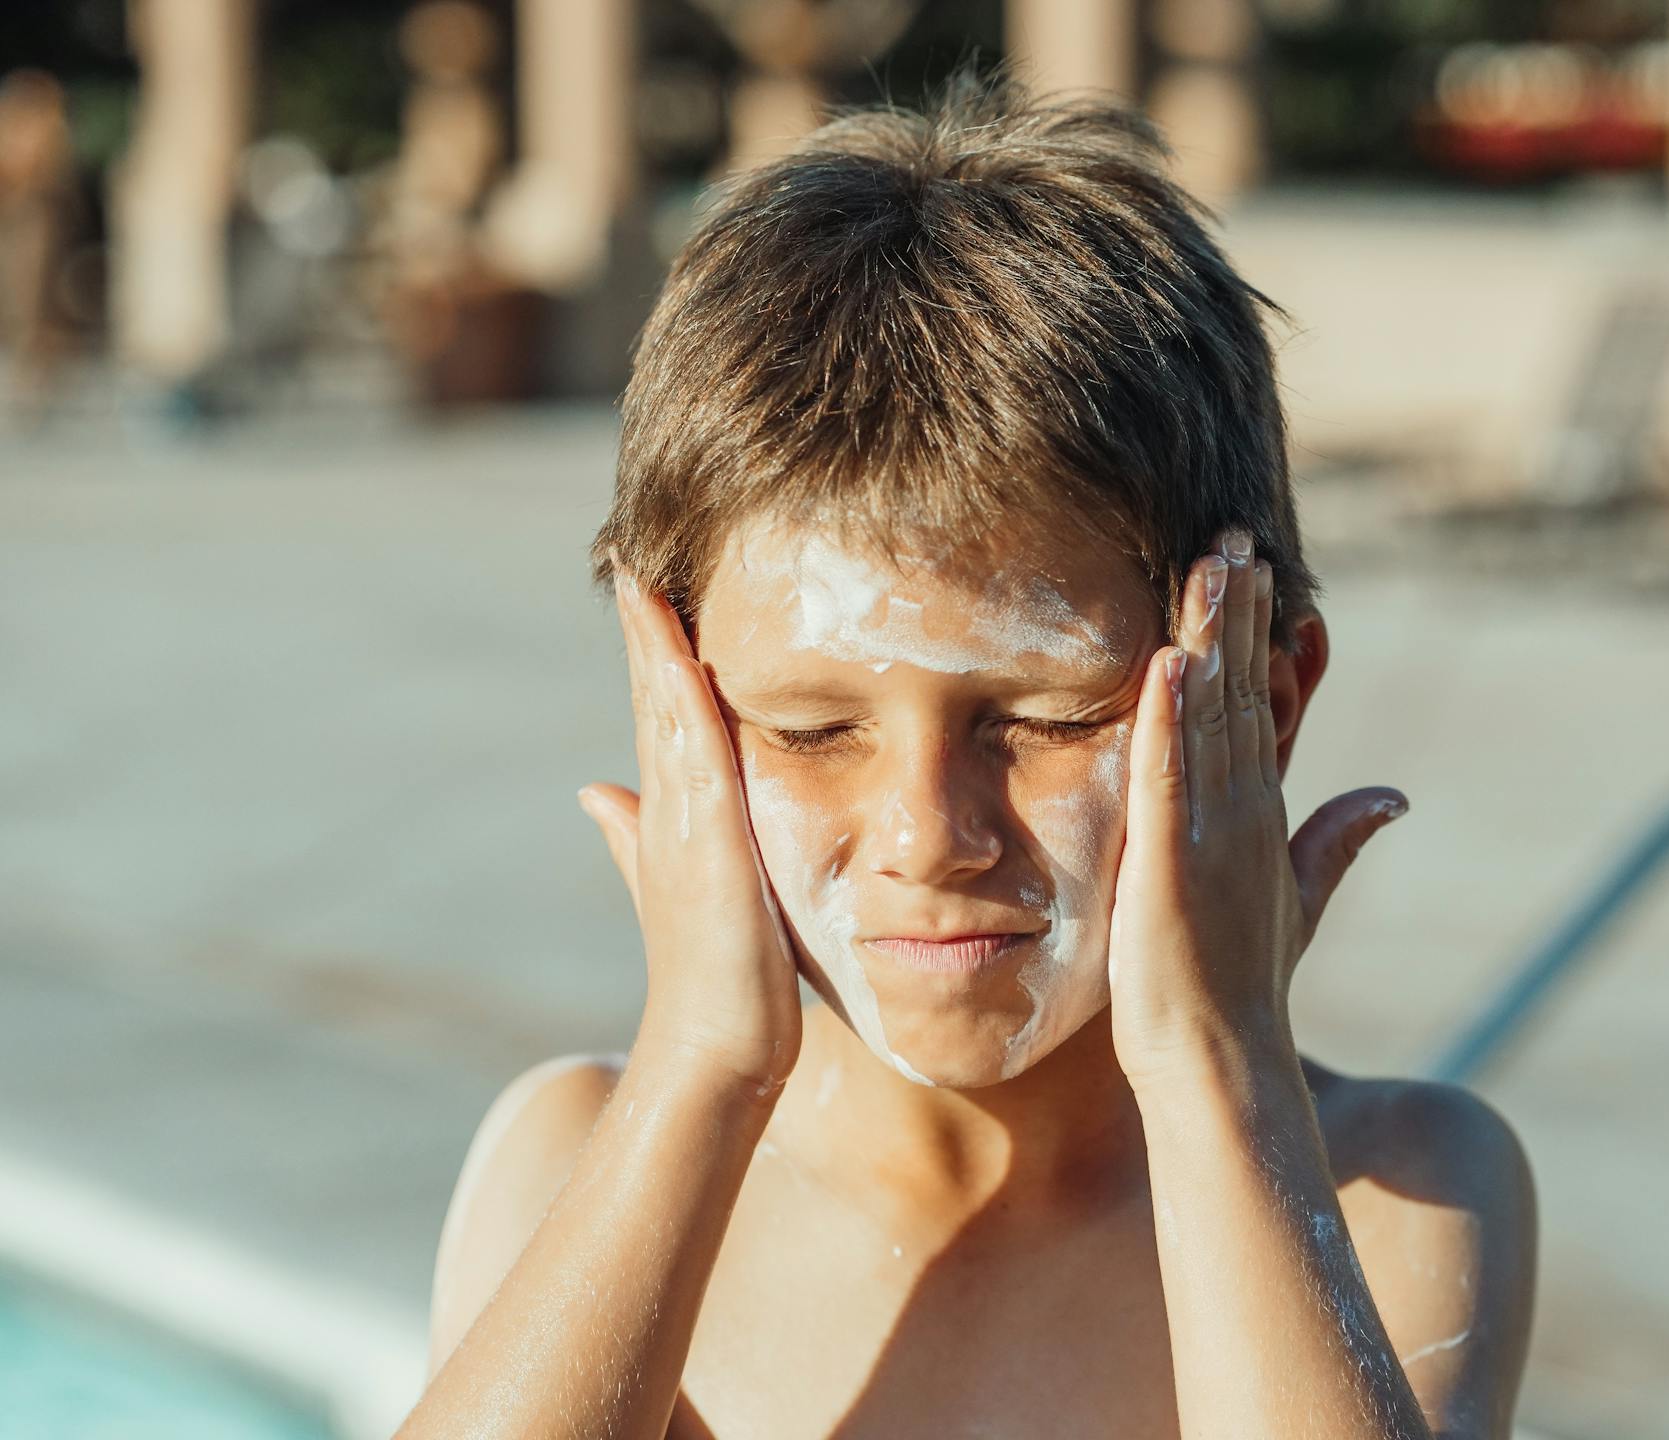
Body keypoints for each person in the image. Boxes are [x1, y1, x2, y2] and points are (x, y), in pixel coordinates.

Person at [400, 73, 1537, 1440]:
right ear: (681, 721)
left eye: (1044, 720)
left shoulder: (1391, 1192)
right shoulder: (581, 1163)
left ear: (1268, 707)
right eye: (811, 730)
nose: (928, 834)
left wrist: (1216, 1079)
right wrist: (703, 1064)